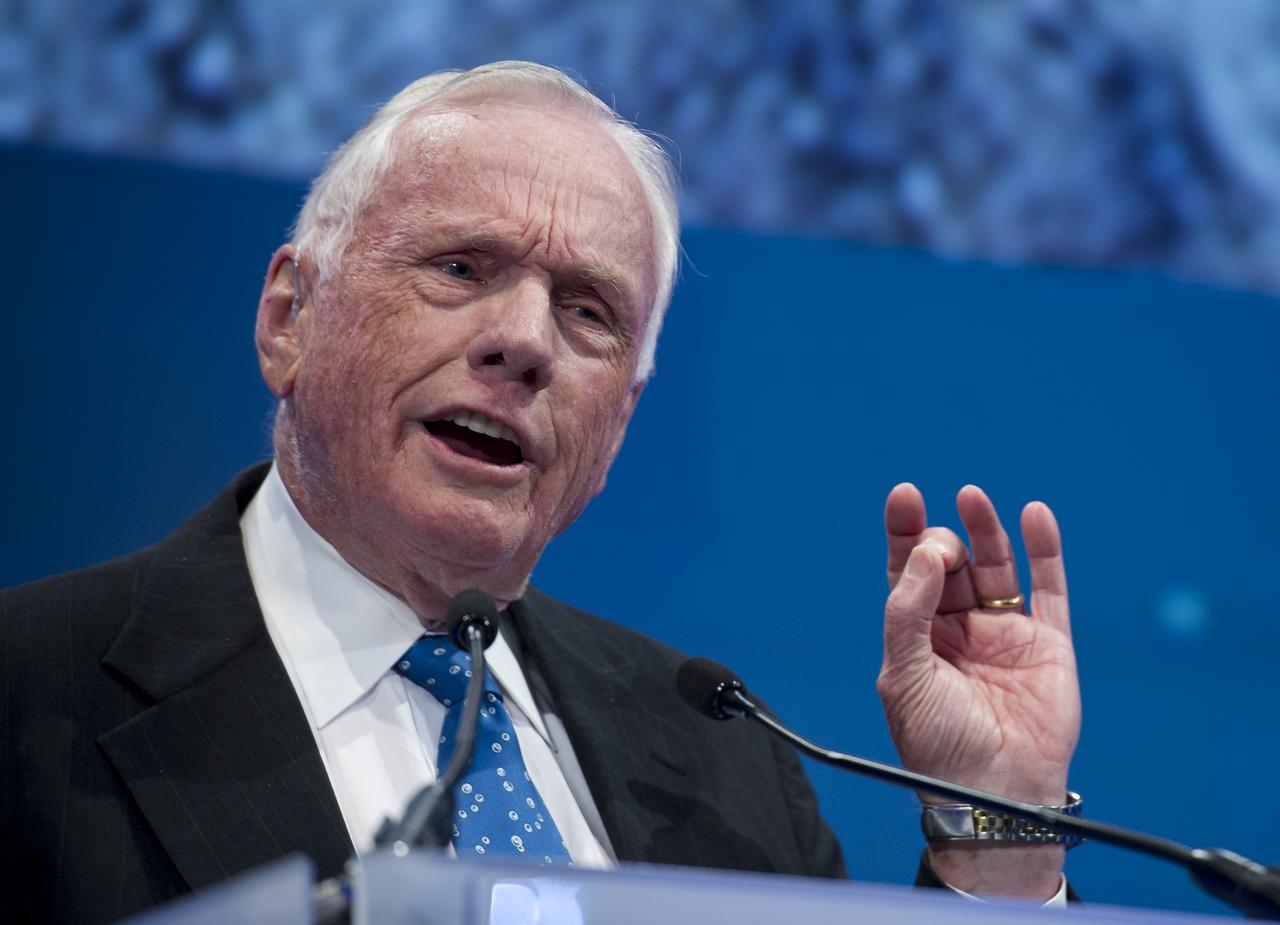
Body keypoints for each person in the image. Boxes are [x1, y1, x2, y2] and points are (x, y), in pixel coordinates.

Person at [0, 61, 1080, 923]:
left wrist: (1001, 821)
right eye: (460, 268)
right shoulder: (28, 694)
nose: (522, 342)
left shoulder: (723, 758)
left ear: (616, 426)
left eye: (588, 313)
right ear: (290, 317)